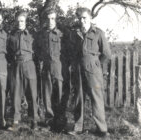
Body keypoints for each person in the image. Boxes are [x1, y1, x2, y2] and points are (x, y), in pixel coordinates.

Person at [67, 7, 111, 137]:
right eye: (79, 18)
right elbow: (71, 52)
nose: (82, 21)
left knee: (97, 99)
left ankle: (102, 129)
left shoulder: (98, 33)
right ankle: (78, 127)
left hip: (93, 70)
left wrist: (96, 64)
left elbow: (106, 54)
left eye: (84, 18)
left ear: (90, 18)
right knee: (78, 98)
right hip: (79, 70)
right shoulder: (74, 34)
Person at [7, 11, 39, 131]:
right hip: (16, 65)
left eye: (22, 21)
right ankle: (15, 121)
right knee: (15, 93)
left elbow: (37, 51)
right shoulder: (11, 36)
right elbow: (9, 52)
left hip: (29, 65)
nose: (20, 23)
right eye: (18, 21)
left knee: (32, 93)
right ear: (15, 22)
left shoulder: (32, 35)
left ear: (26, 22)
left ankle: (34, 121)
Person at [35, 9, 64, 131]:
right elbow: (37, 49)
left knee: (59, 94)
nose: (50, 21)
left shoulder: (62, 34)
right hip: (46, 66)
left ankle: (60, 122)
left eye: (53, 18)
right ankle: (49, 121)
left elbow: (68, 51)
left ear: (56, 19)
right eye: (48, 19)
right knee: (47, 94)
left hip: (59, 66)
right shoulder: (41, 34)